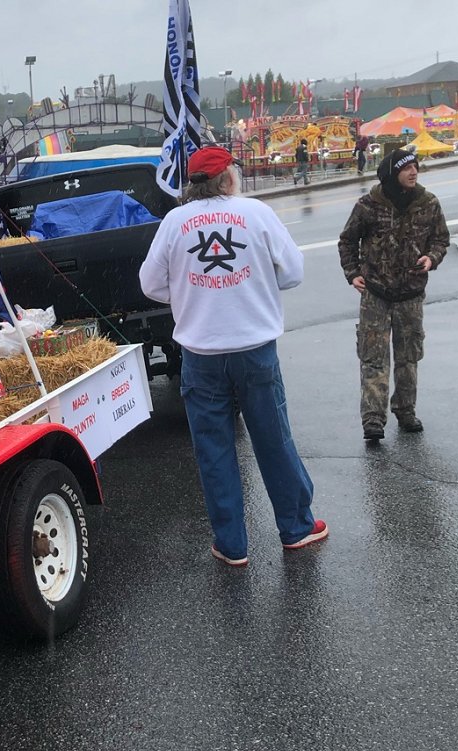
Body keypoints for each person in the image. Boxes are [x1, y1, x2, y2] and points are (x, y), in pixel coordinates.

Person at [139, 145, 328, 567]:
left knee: (214, 449)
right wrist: (254, 284)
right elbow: (294, 272)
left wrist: (190, 294)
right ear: (227, 178)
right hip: (255, 349)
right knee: (274, 439)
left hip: (200, 354)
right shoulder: (256, 213)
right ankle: (296, 527)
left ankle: (231, 543)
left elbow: (150, 284)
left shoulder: (174, 222)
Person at [338, 148, 450, 441]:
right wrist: (353, 273)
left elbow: (440, 238)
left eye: (416, 166)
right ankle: (373, 419)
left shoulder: (428, 203)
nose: (414, 172)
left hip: (411, 294)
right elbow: (347, 241)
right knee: (373, 357)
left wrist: (432, 257)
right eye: (407, 168)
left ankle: (405, 410)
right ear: (391, 173)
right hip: (375, 293)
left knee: (408, 355)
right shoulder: (368, 205)